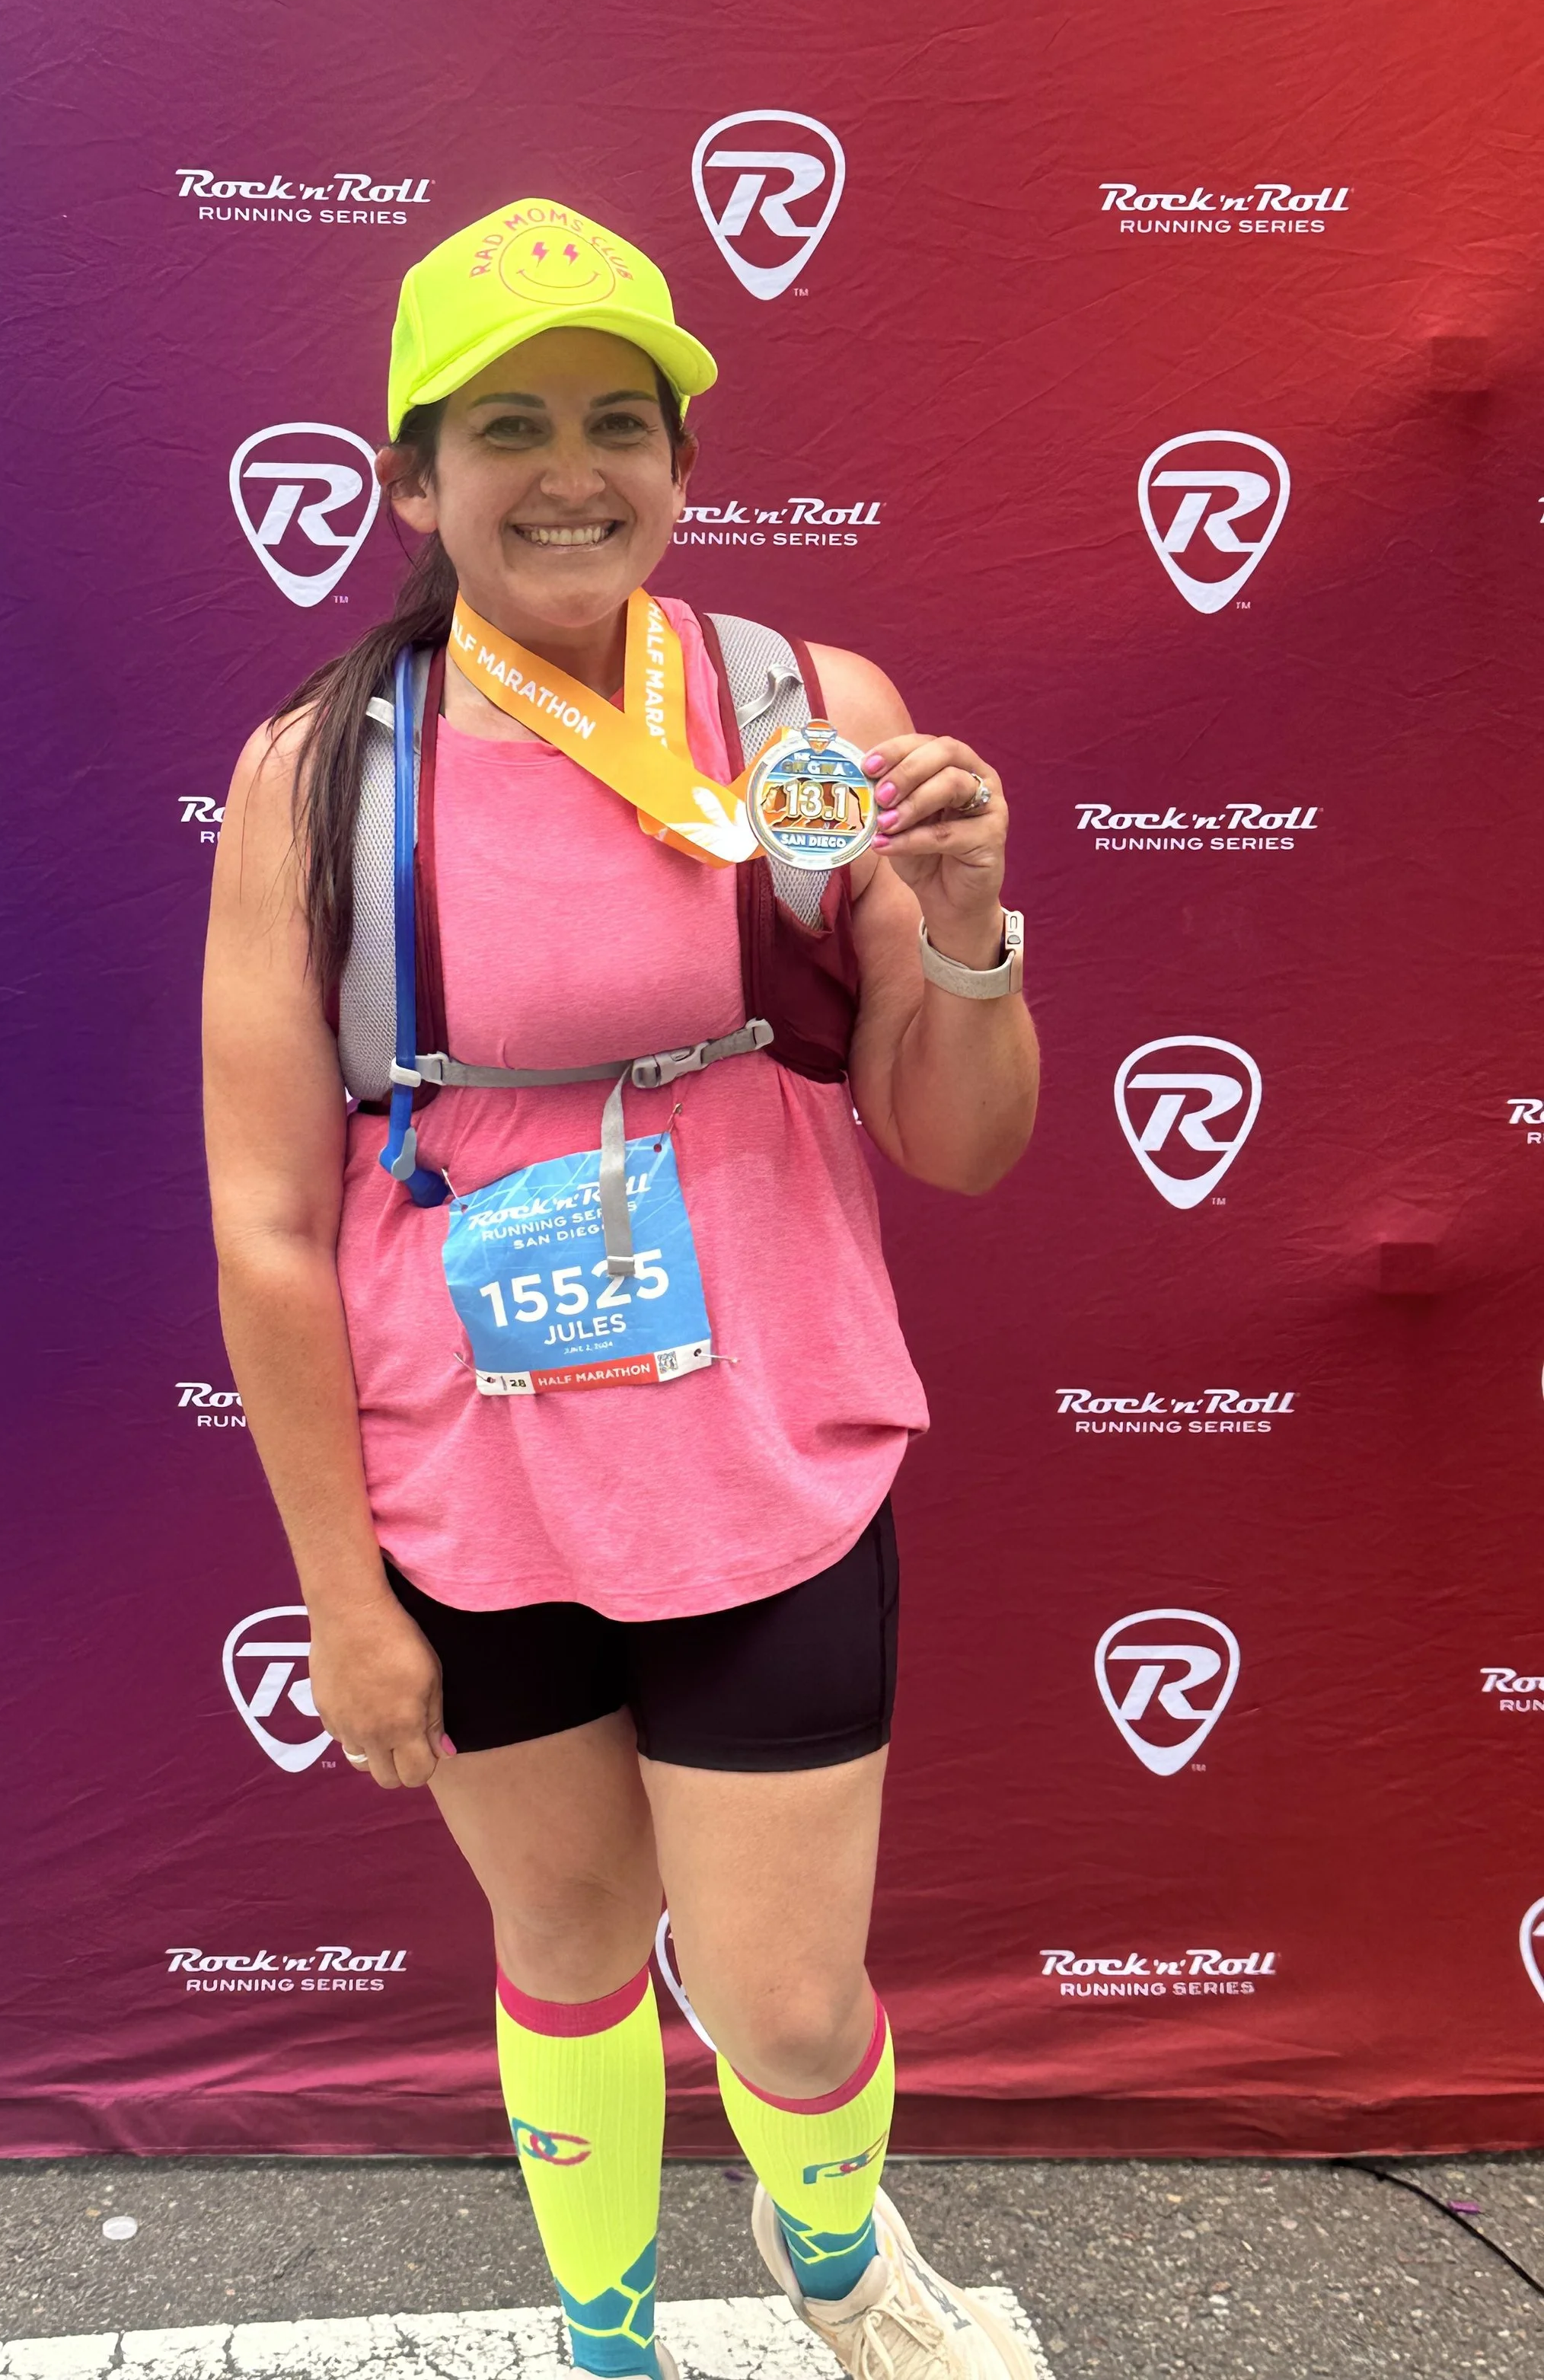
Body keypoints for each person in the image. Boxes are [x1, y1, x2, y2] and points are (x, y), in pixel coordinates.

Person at [203, 199, 1039, 2380]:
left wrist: (963, 926)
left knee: (778, 1998)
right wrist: (340, 1596)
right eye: (505, 424)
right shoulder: (318, 777)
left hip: (766, 1451)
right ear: (409, 471)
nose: (568, 468)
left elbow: (953, 1134)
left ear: (678, 461)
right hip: (468, 1487)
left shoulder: (801, 711)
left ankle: (837, 2257)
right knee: (563, 1934)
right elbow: (271, 1226)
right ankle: (601, 2331)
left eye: (616, 421)